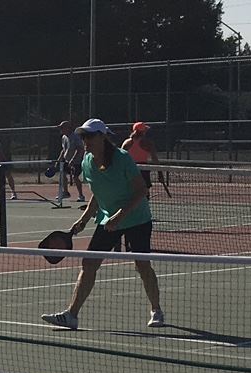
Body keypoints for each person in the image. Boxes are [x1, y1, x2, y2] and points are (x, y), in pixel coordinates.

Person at [41, 118, 165, 332]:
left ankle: (156, 310)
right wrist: (84, 219)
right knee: (88, 264)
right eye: (83, 136)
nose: (85, 140)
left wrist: (119, 216)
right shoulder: (88, 161)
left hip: (137, 219)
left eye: (89, 136)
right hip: (108, 221)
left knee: (142, 265)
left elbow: (141, 190)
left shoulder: (122, 158)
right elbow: (97, 195)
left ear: (102, 137)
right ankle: (71, 315)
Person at [123, 121, 173, 197]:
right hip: (142, 170)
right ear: (143, 132)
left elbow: (121, 157)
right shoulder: (148, 143)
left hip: (130, 169)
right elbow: (155, 159)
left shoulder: (126, 143)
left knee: (131, 192)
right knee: (144, 193)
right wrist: (160, 174)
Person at [51, 120, 87, 208]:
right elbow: (64, 150)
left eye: (62, 128)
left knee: (75, 177)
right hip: (67, 161)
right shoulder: (64, 137)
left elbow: (79, 149)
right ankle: (66, 192)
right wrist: (59, 160)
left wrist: (73, 160)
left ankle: (81, 195)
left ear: (68, 128)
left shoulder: (76, 137)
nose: (61, 130)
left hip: (77, 161)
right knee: (62, 174)